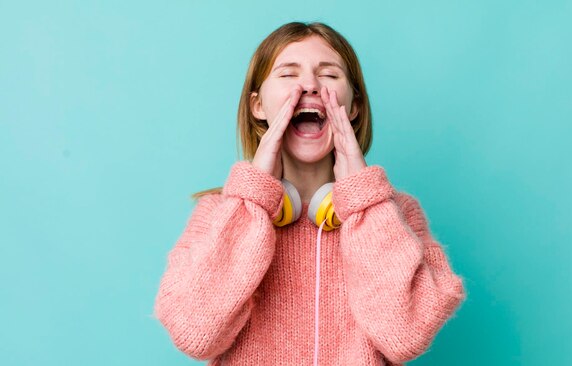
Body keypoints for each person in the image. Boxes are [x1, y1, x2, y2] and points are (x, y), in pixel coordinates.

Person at [153, 21, 467, 366]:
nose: (310, 85)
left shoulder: (395, 213)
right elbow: (196, 334)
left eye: (329, 75)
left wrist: (365, 201)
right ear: (258, 106)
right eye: (288, 74)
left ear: (354, 105)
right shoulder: (219, 214)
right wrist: (252, 198)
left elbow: (405, 336)